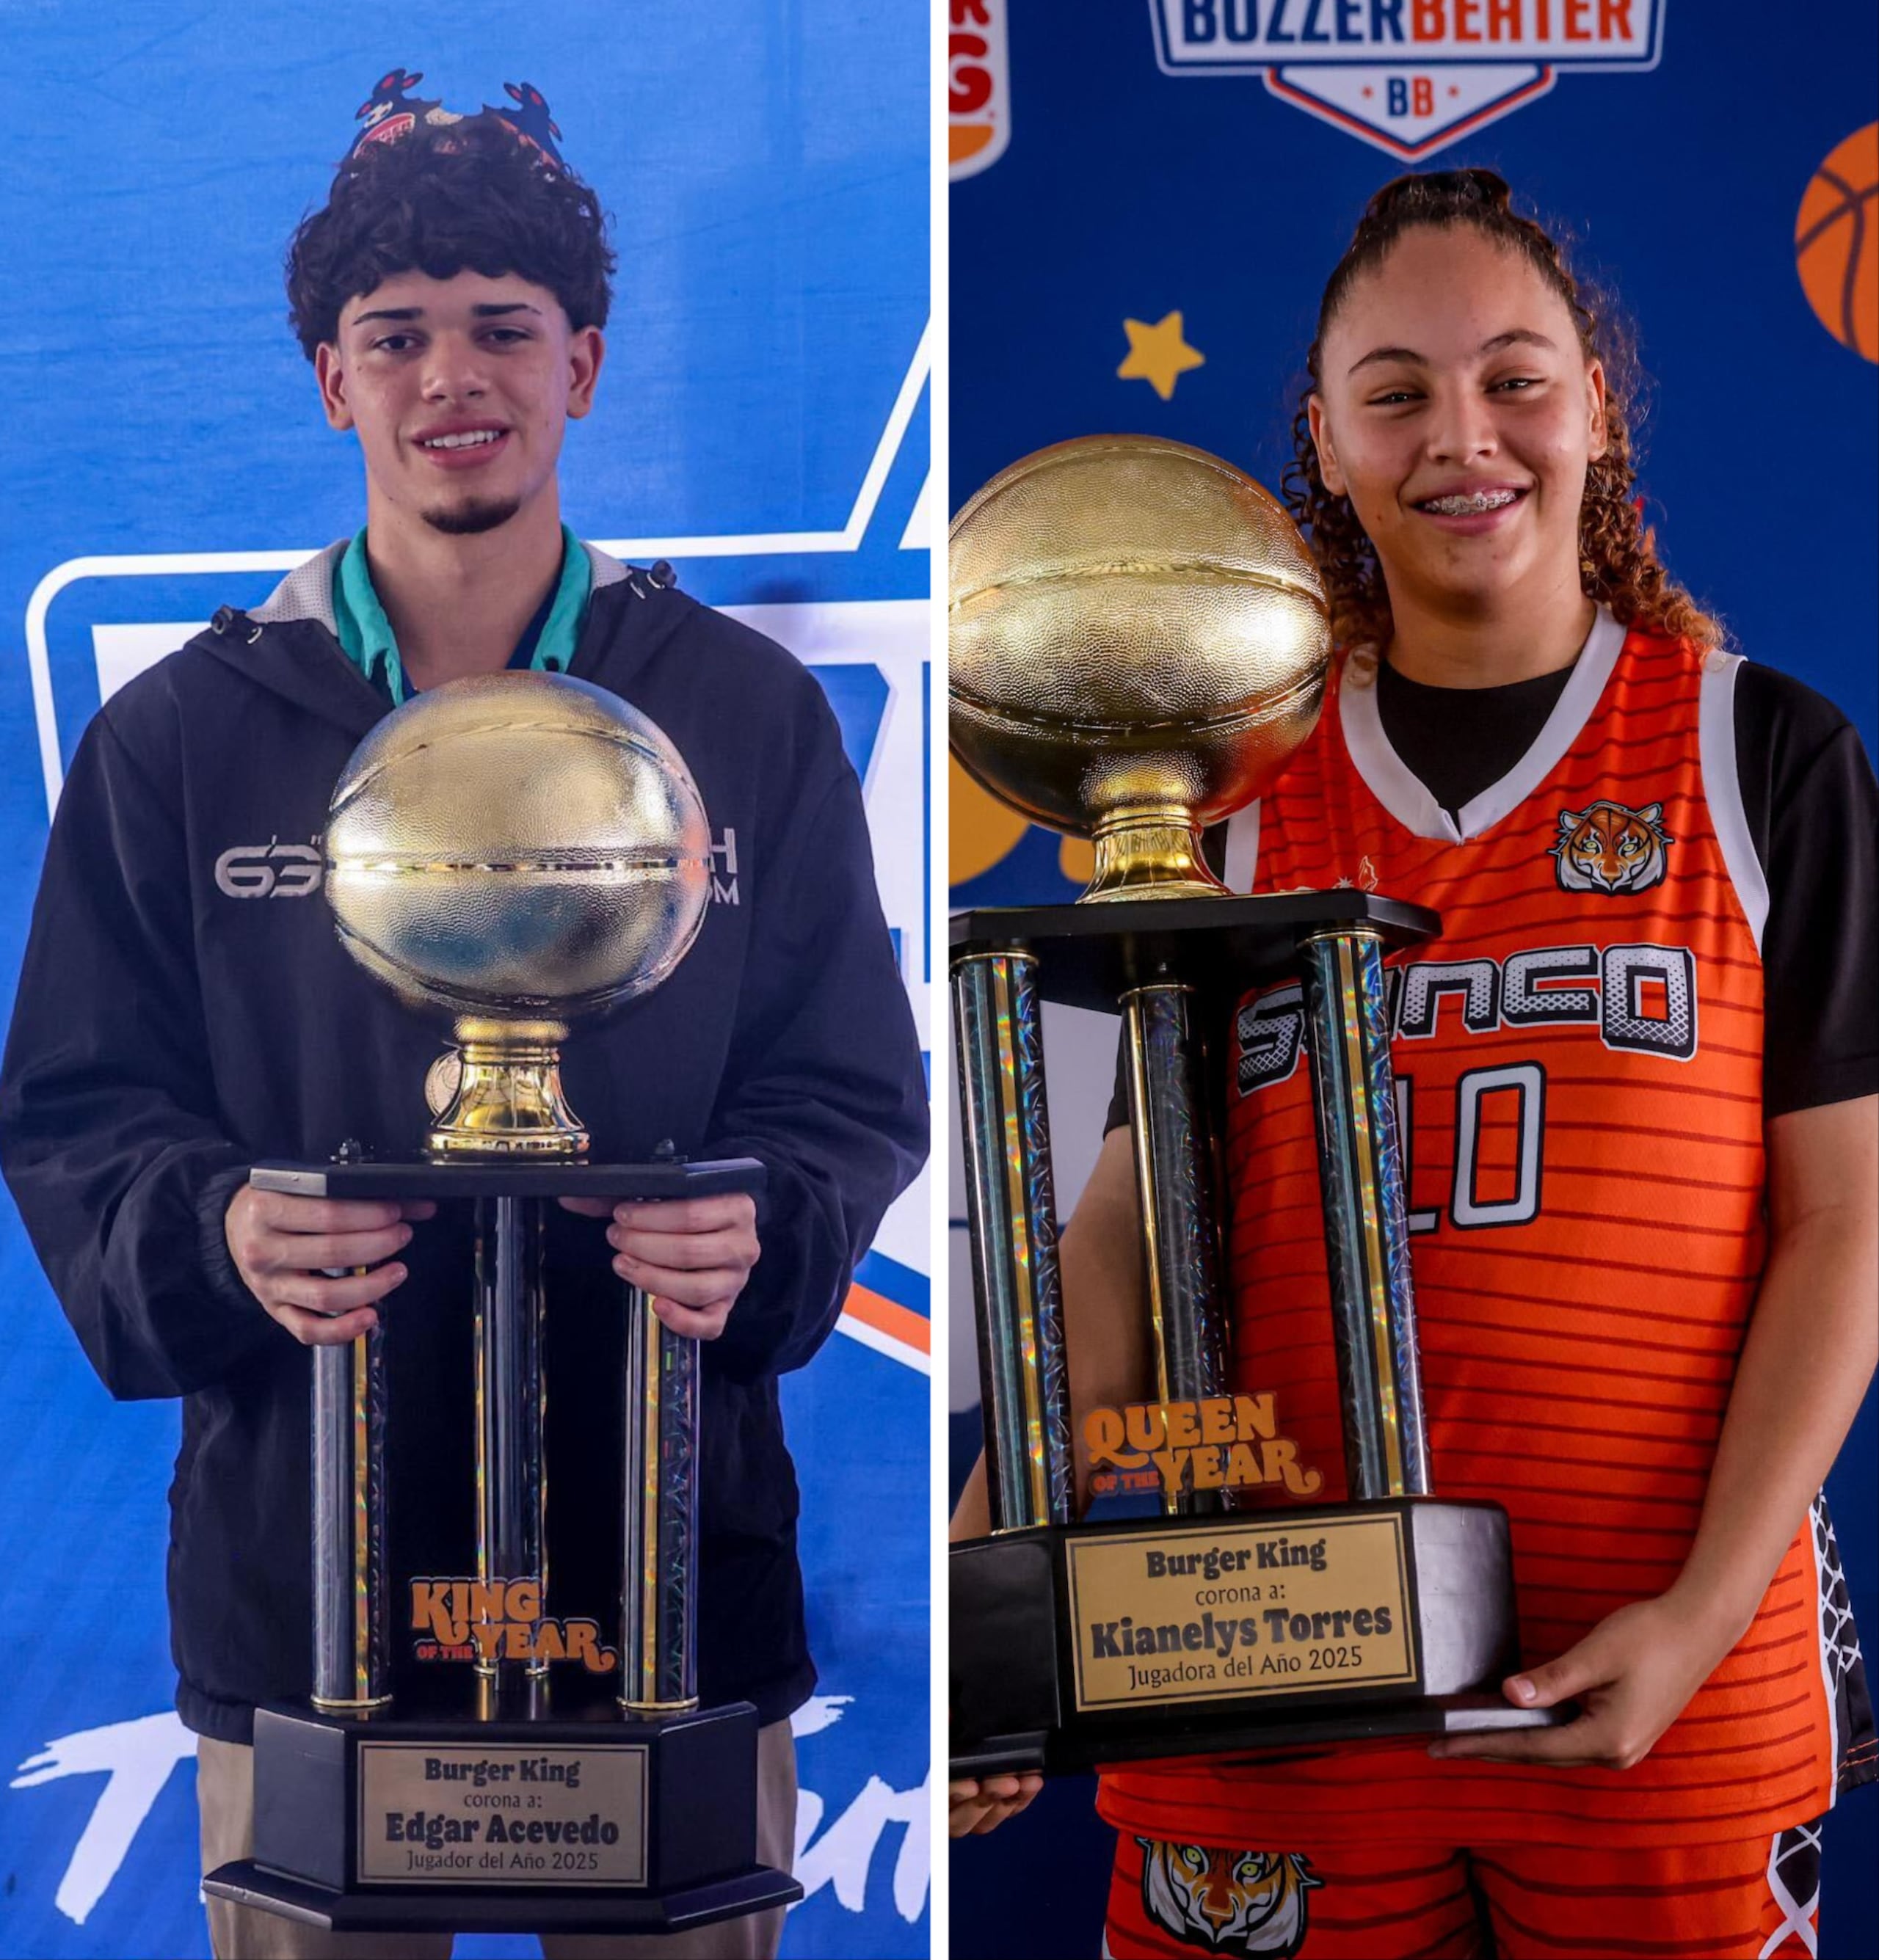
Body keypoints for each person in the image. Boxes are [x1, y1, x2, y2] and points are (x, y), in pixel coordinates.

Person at [0, 84, 926, 1960]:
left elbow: (848, 1083)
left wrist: (765, 1222)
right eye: (394, 335)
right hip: (303, 1582)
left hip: (665, 1570)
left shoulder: (735, 714)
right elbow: (79, 1105)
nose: (453, 376)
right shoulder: (181, 741)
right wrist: (214, 1229)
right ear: (326, 378)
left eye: (504, 325)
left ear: (582, 360)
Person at [950, 170, 1876, 1959]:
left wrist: (1694, 1616)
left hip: (1653, 1677)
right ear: (1325, 436)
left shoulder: (1754, 751)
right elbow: (1129, 1240)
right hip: (1267, 1679)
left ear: (1595, 404)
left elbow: (1842, 1228)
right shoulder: (1224, 799)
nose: (1464, 437)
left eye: (1513, 378)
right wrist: (1001, 1575)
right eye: (1396, 392)